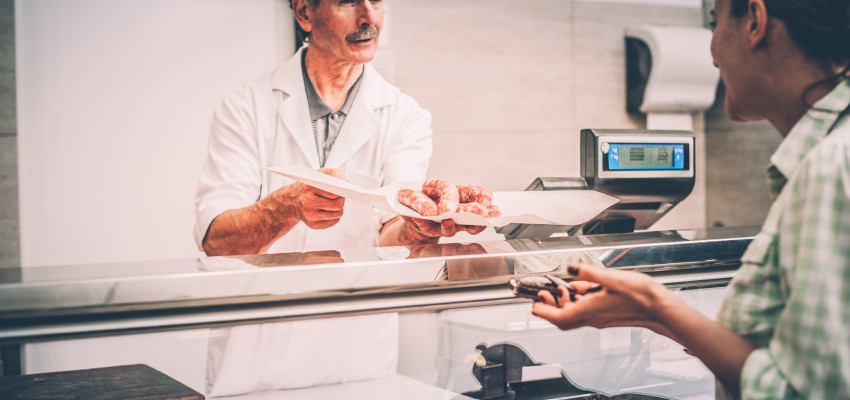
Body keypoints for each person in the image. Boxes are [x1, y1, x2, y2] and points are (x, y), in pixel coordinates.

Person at [531, 0, 850, 398]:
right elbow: (773, 351)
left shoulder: (832, 164)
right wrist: (650, 313)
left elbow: (809, 391)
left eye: (715, 23)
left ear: (755, 20)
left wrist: (656, 303)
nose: (712, 51)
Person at [194, 0, 484, 257]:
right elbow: (216, 243)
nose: (368, 17)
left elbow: (390, 233)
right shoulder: (244, 107)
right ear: (304, 12)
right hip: (268, 312)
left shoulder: (406, 116)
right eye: (348, 1)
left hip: (357, 312)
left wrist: (420, 228)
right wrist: (285, 207)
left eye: (376, 0)